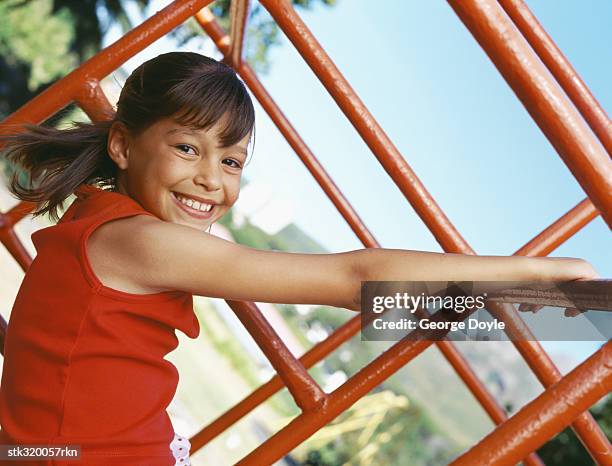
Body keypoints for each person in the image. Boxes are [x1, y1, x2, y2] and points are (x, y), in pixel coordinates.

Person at [0, 52, 598, 465]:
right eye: (188, 147)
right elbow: (352, 279)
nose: (211, 180)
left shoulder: (99, 218)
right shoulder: (144, 243)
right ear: (124, 145)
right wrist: (538, 276)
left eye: (231, 162)